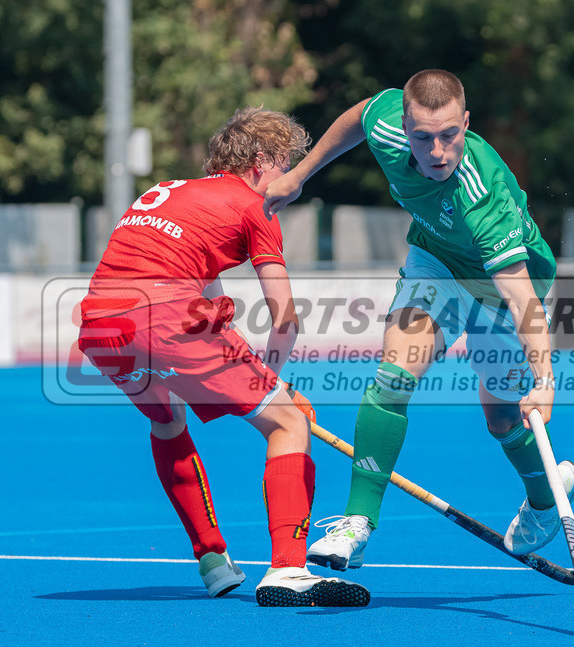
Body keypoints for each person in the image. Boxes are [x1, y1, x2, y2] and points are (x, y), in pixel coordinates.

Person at [263, 69, 574, 570]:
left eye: (451, 135)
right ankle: (357, 523)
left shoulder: (483, 196)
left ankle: (544, 497)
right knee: (393, 376)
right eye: (423, 137)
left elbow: (521, 297)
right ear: (406, 126)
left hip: (497, 288)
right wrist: (299, 174)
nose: (437, 152)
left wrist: (545, 380)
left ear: (467, 123)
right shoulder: (390, 123)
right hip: (434, 263)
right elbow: (360, 115)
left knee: (502, 418)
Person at [76, 107, 369, 607]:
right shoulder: (257, 208)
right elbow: (285, 317)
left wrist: (243, 367)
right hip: (163, 317)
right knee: (292, 419)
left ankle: (212, 561)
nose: (288, 179)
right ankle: (288, 570)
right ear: (262, 160)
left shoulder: (168, 191)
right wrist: (271, 386)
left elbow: (202, 290)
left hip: (100, 325)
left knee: (167, 423)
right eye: (285, 164)